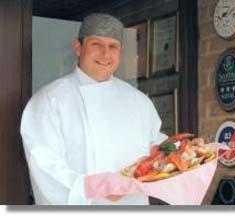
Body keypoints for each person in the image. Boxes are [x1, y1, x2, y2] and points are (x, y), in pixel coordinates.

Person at [20, 13, 168, 205]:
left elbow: (156, 148)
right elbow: (44, 164)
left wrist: (183, 151)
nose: (106, 54)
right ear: (78, 47)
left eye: (113, 46)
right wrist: (93, 188)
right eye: (96, 44)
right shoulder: (49, 101)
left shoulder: (139, 101)